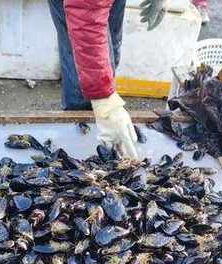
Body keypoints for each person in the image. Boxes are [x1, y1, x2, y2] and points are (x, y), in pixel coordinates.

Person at [47, 0, 167, 159]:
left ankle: (104, 124)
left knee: (110, 53)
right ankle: (80, 141)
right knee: (81, 75)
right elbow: (86, 18)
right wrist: (104, 101)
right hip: (83, 6)